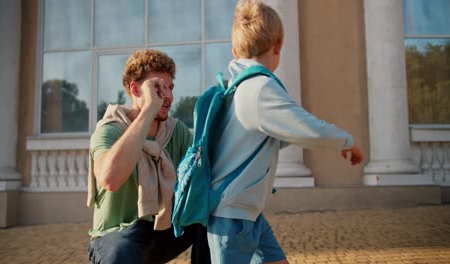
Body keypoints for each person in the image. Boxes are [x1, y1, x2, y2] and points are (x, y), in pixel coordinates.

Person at [206, 1, 364, 263]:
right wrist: (347, 141)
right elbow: (308, 128)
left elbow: (263, 141)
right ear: (278, 45)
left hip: (246, 213)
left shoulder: (238, 89)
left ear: (235, 51)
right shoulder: (259, 88)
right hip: (232, 218)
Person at [87, 49, 210, 264]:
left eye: (170, 87)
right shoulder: (110, 131)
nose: (168, 96)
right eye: (158, 88)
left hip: (164, 229)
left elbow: (203, 176)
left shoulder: (176, 131)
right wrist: (148, 112)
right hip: (118, 235)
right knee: (121, 253)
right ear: (135, 89)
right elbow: (109, 179)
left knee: (215, 217)